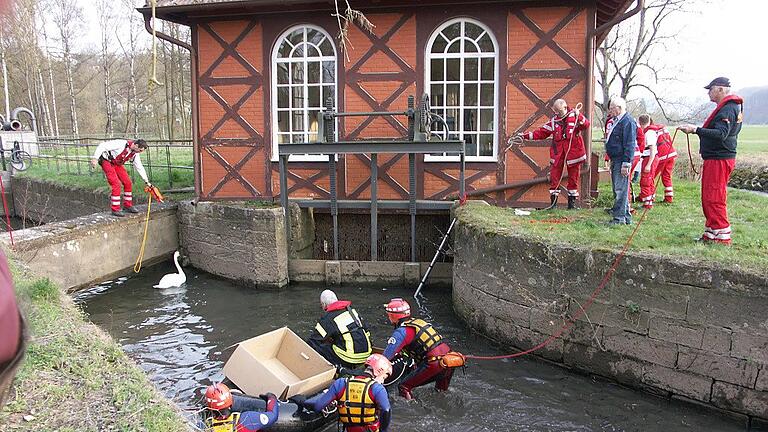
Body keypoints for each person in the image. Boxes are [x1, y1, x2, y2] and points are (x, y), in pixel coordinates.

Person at [678, 77, 743, 245]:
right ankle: (711, 233)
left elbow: (721, 134)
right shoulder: (730, 108)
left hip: (719, 159)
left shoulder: (728, 109)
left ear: (721, 90)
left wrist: (695, 130)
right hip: (717, 157)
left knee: (714, 196)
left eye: (711, 89)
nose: (708, 92)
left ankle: (721, 237)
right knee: (709, 196)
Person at [517, 99, 590, 209]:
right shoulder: (554, 121)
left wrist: (578, 116)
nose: (557, 114)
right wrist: (525, 136)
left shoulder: (574, 117)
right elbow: (541, 133)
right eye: (556, 111)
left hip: (573, 152)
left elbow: (586, 125)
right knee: (555, 176)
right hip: (558, 153)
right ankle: (553, 204)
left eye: (559, 111)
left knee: (573, 177)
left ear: (565, 107)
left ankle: (572, 204)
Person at [295, 353, 392, 432]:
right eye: (384, 377)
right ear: (378, 371)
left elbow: (317, 406)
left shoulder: (341, 383)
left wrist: (301, 401)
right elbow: (386, 410)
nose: (383, 381)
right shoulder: (377, 389)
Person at [382, 298, 453, 400]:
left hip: (433, 364)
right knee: (441, 393)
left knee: (403, 386)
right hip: (449, 361)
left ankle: (411, 410)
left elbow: (386, 357)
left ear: (392, 316)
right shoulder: (418, 322)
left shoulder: (401, 332)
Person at [307, 290, 372, 369]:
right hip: (366, 354)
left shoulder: (327, 318)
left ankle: (334, 369)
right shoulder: (352, 311)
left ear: (323, 305)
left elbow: (314, 340)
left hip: (349, 357)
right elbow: (366, 331)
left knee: (320, 347)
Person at [90, 139, 151, 217]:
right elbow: (102, 145)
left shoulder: (135, 153)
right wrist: (95, 158)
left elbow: (139, 167)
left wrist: (146, 181)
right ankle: (115, 209)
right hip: (106, 161)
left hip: (117, 164)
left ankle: (127, 205)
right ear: (136, 145)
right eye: (140, 150)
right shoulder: (120, 143)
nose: (140, 152)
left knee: (127, 182)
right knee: (116, 184)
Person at [604, 97, 637, 225]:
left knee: (620, 190)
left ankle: (619, 219)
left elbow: (630, 144)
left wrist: (626, 163)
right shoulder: (616, 121)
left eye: (612, 108)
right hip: (615, 159)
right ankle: (626, 217)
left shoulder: (627, 121)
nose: (610, 111)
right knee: (618, 189)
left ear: (619, 108)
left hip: (621, 160)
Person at [202, 383, 278, 431]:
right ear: (231, 401)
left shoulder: (205, 426)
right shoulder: (247, 419)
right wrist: (271, 398)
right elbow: (273, 416)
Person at [640, 116, 678, 204]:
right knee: (667, 176)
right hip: (671, 153)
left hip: (662, 155)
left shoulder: (651, 131)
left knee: (650, 176)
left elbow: (653, 147)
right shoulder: (663, 128)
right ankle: (669, 197)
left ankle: (648, 196)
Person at [636, 114, 660, 209]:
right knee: (649, 179)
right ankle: (650, 198)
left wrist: (648, 165)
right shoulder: (650, 131)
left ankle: (647, 203)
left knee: (646, 180)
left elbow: (652, 150)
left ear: (640, 123)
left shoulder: (649, 133)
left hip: (649, 158)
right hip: (649, 158)